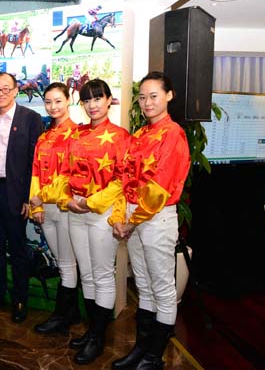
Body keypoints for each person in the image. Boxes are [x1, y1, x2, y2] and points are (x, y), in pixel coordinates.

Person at [110, 71, 190, 370]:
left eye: (154, 96)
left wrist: (132, 221)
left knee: (162, 288)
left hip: (156, 217)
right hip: (134, 215)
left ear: (169, 95)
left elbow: (160, 186)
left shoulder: (174, 134)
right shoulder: (141, 134)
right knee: (143, 285)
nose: (147, 103)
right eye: (142, 97)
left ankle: (154, 357)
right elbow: (125, 177)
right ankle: (141, 349)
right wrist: (122, 216)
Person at [60, 79, 131, 365]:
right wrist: (68, 199)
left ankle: (99, 338)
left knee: (102, 275)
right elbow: (64, 171)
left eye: (98, 98)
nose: (92, 105)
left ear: (109, 100)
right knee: (87, 275)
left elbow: (122, 179)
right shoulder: (76, 134)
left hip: (102, 213)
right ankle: (92, 331)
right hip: (75, 211)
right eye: (87, 100)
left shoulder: (121, 136)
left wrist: (91, 202)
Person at [0, 72, 43, 323]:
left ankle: (20, 299)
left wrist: (27, 198)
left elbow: (34, 162)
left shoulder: (31, 118)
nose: (0, 93)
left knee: (17, 248)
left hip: (15, 193)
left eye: (5, 88)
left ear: (15, 91)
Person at [28, 82, 80, 334]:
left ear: (68, 100)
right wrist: (35, 206)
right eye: (48, 102)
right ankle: (70, 312)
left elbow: (72, 176)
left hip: (66, 207)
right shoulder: (44, 137)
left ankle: (63, 315)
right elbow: (35, 173)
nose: (53, 106)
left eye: (58, 101)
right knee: (61, 262)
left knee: (67, 263)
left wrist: (44, 198)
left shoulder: (78, 134)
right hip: (44, 207)